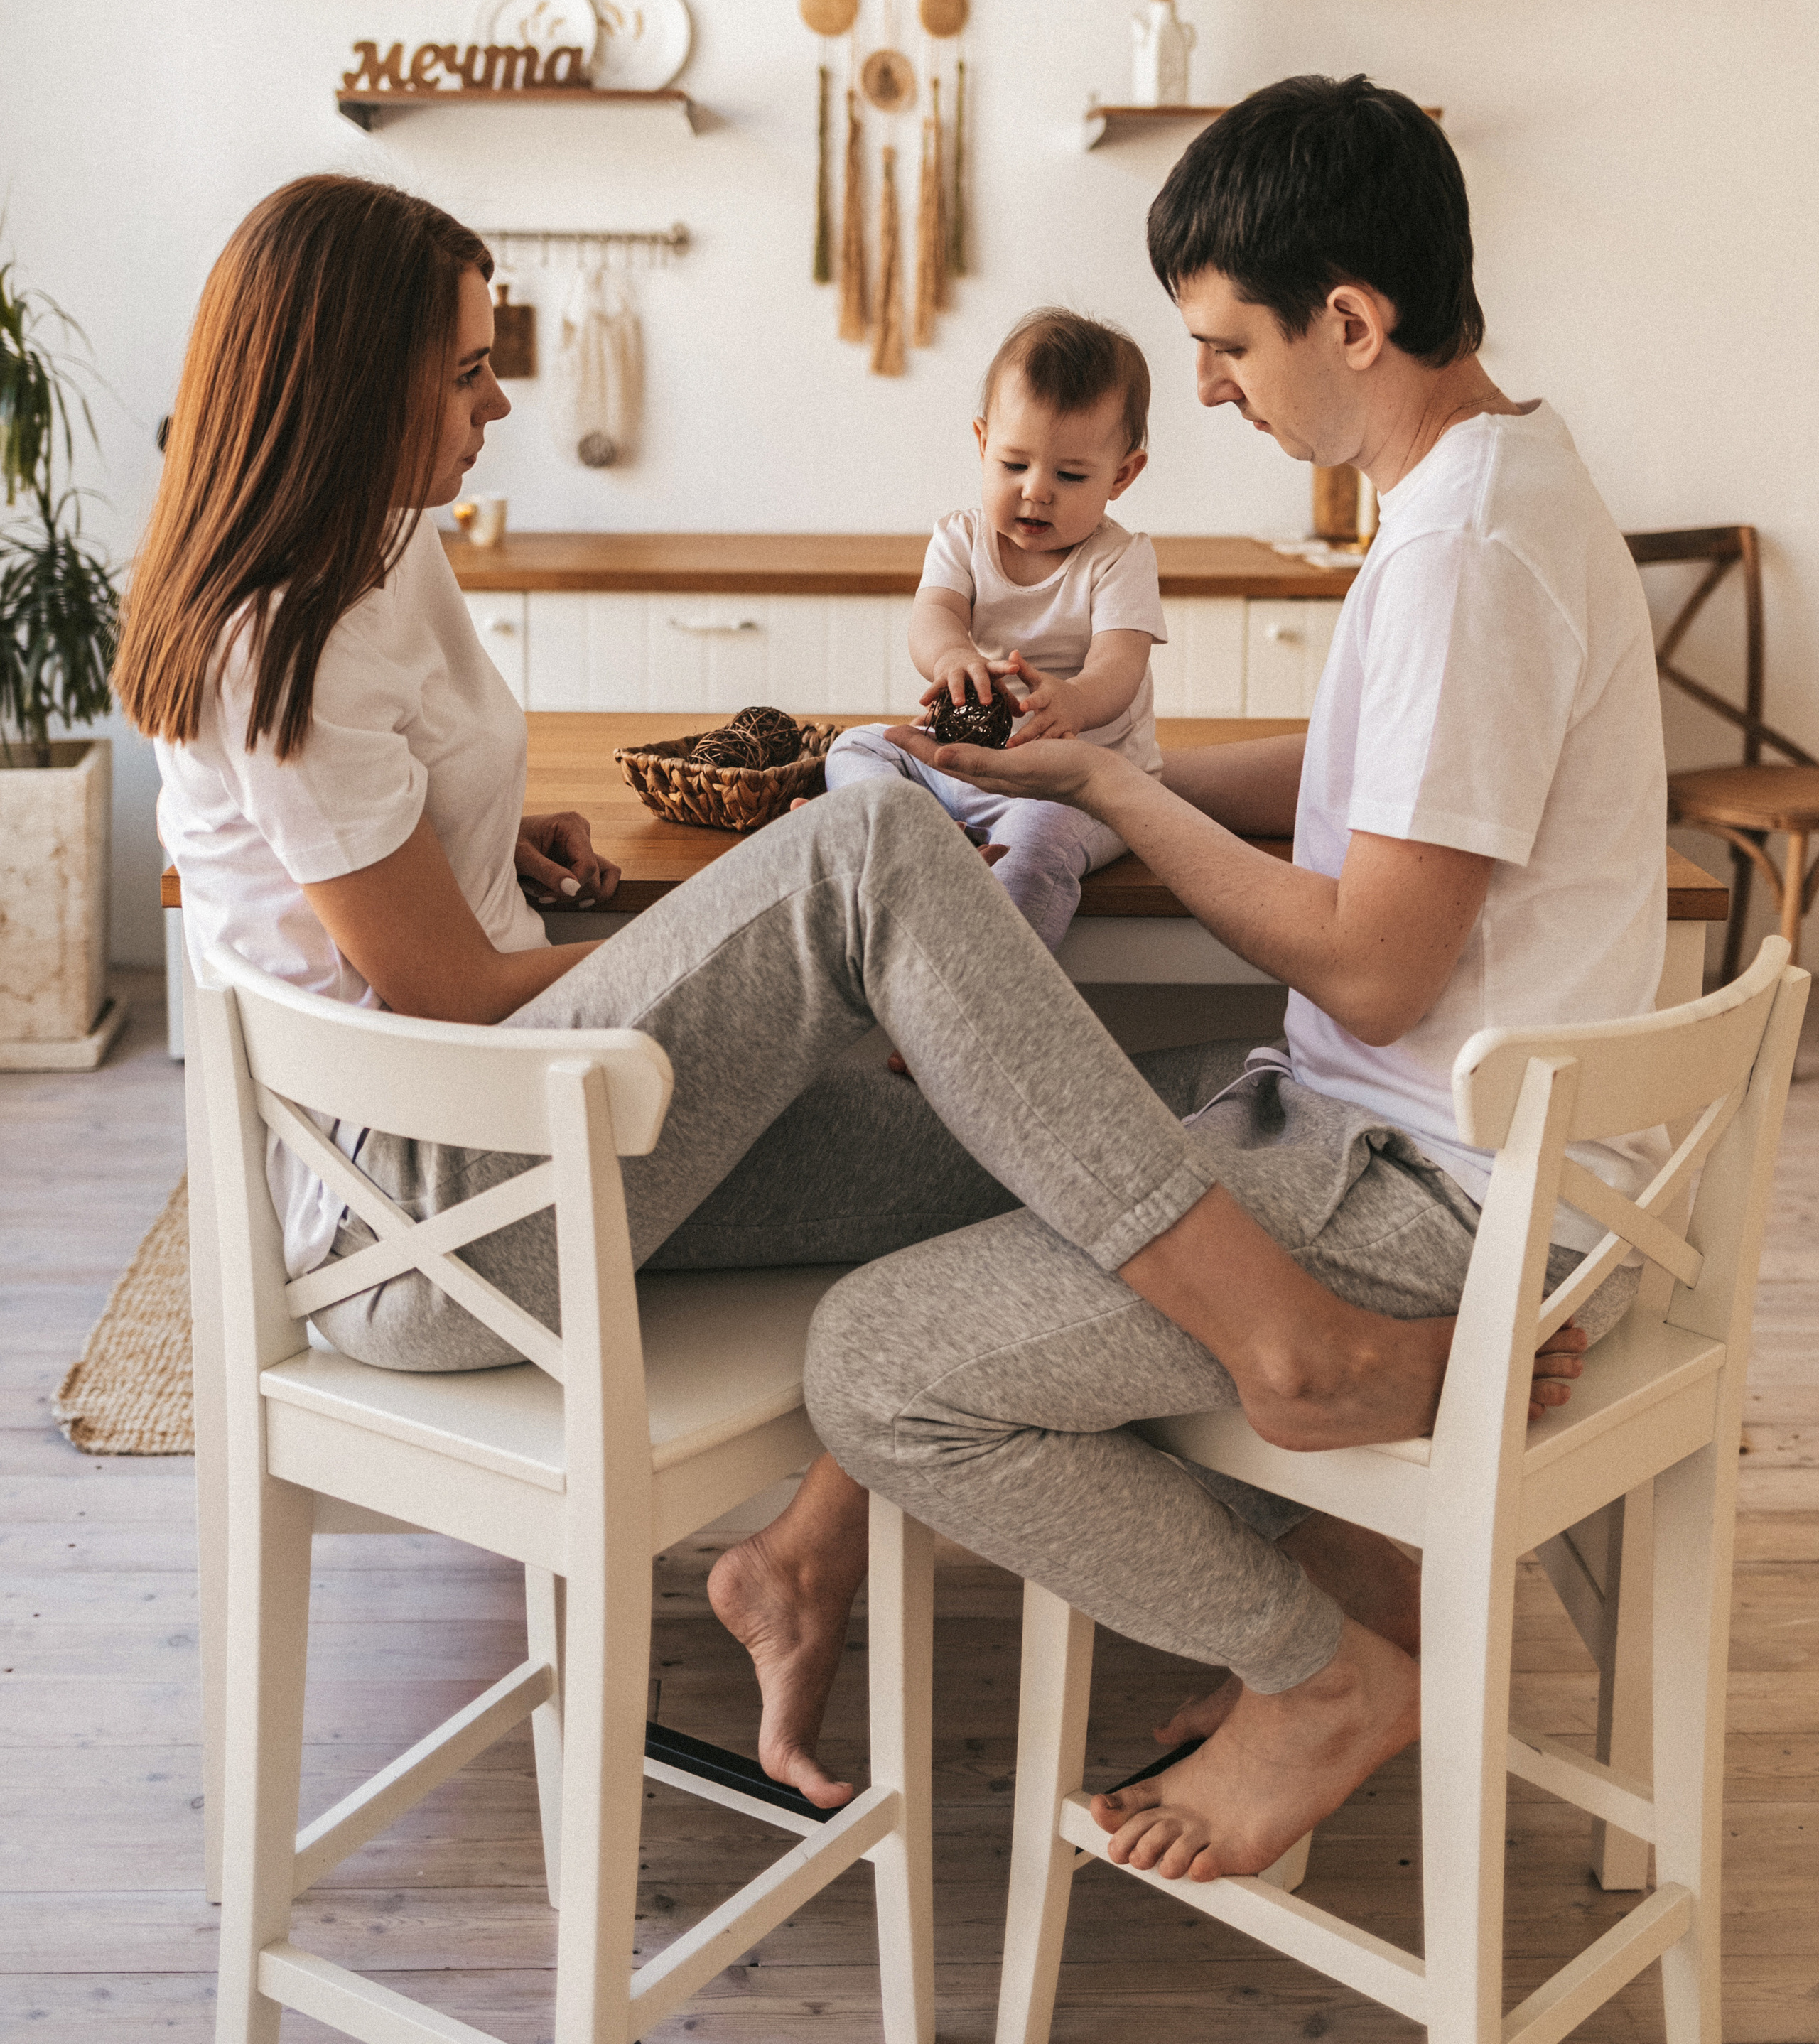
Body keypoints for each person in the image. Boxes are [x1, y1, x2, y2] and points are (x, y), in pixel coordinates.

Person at [117, 169, 1580, 1829]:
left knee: (1034, 1153)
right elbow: (441, 990)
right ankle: (1289, 1374)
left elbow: (381, 862)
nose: (498, 394)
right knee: (866, 846)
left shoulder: (390, 546)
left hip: (526, 1142)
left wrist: (484, 833)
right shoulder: (274, 635)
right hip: (425, 1226)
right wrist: (768, 959)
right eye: (464, 368)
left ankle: (814, 1563)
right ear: (346, 380)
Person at [800, 72, 1668, 1881]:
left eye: (1222, 345)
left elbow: (1367, 967)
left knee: (878, 1361)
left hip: (1430, 1183)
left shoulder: (1459, 551)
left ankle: (1323, 1669)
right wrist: (1105, 771)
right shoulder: (1484, 478)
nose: (1200, 387)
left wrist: (1112, 786)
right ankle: (1352, 1566)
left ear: (1347, 320)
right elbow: (1375, 778)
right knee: (1010, 1183)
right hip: (1431, 1143)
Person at [824, 308, 1167, 953]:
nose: (1036, 492)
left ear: (1122, 475)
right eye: (1014, 464)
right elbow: (935, 615)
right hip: (967, 770)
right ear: (983, 444)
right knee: (856, 748)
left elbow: (1120, 668)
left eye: (1070, 476)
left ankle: (982, 990)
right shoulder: (961, 537)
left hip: (1080, 789)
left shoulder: (1120, 559)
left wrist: (1074, 699)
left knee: (1037, 851)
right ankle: (921, 836)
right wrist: (951, 653)